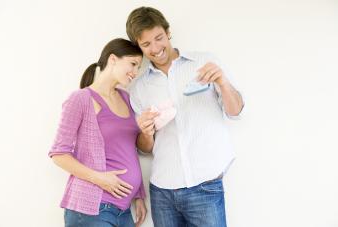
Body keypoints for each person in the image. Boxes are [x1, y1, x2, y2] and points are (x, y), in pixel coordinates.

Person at [126, 7, 244, 227]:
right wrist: (145, 131)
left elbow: (235, 111)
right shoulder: (139, 88)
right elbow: (145, 148)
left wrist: (223, 82)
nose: (155, 48)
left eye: (159, 38)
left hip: (205, 185)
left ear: (168, 32)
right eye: (146, 44)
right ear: (138, 46)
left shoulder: (205, 62)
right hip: (162, 192)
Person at [49, 38, 149, 227]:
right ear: (113, 59)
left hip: (123, 210)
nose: (135, 73)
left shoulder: (126, 98)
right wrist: (100, 179)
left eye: (139, 67)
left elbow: (128, 149)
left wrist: (138, 195)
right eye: (133, 64)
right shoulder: (80, 99)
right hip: (92, 209)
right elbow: (58, 154)